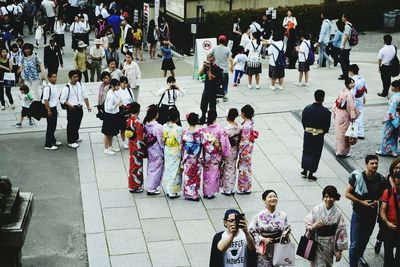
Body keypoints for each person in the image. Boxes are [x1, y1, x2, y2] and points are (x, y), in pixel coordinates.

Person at [345, 155, 385, 267]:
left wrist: (377, 201)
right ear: (366, 164)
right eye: (372, 163)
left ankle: (360, 255)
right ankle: (353, 264)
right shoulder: (358, 177)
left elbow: (383, 195)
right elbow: (347, 193)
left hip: (372, 215)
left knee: (365, 239)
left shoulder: (380, 178)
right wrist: (362, 202)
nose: (375, 165)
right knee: (355, 243)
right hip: (358, 214)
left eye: (376, 163)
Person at [305, 186, 348, 266]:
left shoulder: (338, 213)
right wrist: (314, 226)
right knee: (318, 264)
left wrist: (339, 250)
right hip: (317, 242)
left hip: (330, 244)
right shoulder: (316, 209)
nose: (328, 199)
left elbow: (341, 231)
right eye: (326, 197)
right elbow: (308, 223)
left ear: (335, 198)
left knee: (327, 264)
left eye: (331, 197)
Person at [249, 190, 291, 266]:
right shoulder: (259, 216)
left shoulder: (283, 214)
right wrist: (261, 238)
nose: (273, 198)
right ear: (264, 200)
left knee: (278, 265)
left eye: (275, 196)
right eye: (270, 197)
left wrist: (284, 234)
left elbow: (287, 227)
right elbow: (251, 230)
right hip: (264, 246)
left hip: (279, 245)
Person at [301, 90, 331, 181]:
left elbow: (303, 120)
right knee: (316, 153)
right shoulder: (326, 111)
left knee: (306, 150)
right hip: (318, 134)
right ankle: (311, 173)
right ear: (323, 98)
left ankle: (304, 170)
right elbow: (327, 124)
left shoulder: (307, 108)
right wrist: (323, 131)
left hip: (308, 133)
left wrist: (306, 129)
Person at [201, 110, 231, 199]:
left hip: (206, 153)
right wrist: (225, 152)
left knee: (206, 172)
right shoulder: (219, 128)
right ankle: (210, 192)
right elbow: (224, 142)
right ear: (215, 117)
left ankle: (206, 192)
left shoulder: (204, 128)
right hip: (215, 154)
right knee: (213, 172)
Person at [59, 70, 92, 148]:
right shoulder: (67, 88)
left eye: (77, 77)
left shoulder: (80, 84)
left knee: (77, 123)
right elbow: (62, 99)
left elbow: (85, 95)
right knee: (71, 125)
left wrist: (88, 106)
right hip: (72, 109)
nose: (76, 78)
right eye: (74, 77)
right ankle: (71, 141)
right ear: (70, 78)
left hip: (79, 108)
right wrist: (69, 105)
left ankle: (75, 137)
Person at [374, 158, 399, 254]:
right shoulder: (384, 179)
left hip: (396, 213)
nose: (398, 170)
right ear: (392, 168)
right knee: (383, 230)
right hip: (385, 210)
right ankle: (379, 241)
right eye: (396, 167)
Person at [333, 78, 357, 157]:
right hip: (345, 115)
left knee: (339, 133)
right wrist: (353, 117)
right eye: (351, 83)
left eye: (353, 83)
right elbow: (351, 107)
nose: (353, 84)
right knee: (344, 134)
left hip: (339, 113)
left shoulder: (342, 91)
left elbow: (337, 102)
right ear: (347, 84)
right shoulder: (349, 94)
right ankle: (342, 152)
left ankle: (338, 149)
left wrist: (335, 111)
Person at [143, 104, 164, 195]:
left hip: (149, 149)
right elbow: (161, 141)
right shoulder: (158, 126)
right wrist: (164, 150)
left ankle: (150, 186)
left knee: (151, 167)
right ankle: (152, 188)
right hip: (157, 150)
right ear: (156, 114)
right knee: (157, 169)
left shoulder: (146, 124)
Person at [380, 173, 400, 267]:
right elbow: (382, 210)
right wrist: (387, 222)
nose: (399, 187)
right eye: (397, 185)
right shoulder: (388, 192)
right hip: (390, 228)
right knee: (388, 255)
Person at [162, 108, 183, 199]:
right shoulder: (179, 129)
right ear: (177, 118)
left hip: (167, 149)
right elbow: (181, 141)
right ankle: (173, 191)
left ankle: (168, 189)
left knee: (168, 169)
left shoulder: (164, 126)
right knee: (175, 171)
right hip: (175, 151)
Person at [182, 112, 202, 201]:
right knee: (195, 175)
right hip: (196, 157)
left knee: (188, 175)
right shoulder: (199, 133)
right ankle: (194, 194)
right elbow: (204, 145)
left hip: (188, 157)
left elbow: (183, 146)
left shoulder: (185, 133)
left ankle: (188, 193)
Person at [376, 80, 400, 157]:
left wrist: (385, 119)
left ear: (397, 87)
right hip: (398, 118)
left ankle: (384, 151)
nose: (391, 87)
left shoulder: (396, 97)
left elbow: (392, 110)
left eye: (392, 86)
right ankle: (393, 151)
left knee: (387, 135)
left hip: (393, 119)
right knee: (394, 135)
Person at [125, 102, 145, 193]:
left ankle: (131, 185)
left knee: (132, 165)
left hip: (131, 144)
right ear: (138, 110)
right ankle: (136, 186)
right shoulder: (137, 122)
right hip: (137, 146)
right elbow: (140, 137)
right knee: (137, 166)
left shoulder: (129, 119)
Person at [237, 105, 258, 194]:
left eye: (241, 113)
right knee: (247, 168)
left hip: (245, 149)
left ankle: (243, 188)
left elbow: (244, 141)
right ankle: (247, 187)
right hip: (249, 148)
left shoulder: (246, 126)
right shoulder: (250, 123)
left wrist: (240, 150)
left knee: (243, 168)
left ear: (244, 114)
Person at [221, 108, 241, 196]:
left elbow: (224, 142)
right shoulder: (238, 126)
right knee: (232, 167)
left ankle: (227, 189)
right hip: (235, 149)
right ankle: (232, 187)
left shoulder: (226, 129)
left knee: (227, 168)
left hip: (228, 150)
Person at [199, 54, 223, 124]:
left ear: (214, 60)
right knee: (203, 105)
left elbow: (210, 78)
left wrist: (209, 69)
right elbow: (200, 74)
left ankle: (211, 120)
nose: (210, 62)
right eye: (209, 60)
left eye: (211, 61)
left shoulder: (217, 68)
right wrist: (203, 67)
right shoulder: (206, 66)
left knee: (212, 106)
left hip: (213, 90)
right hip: (206, 89)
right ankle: (203, 117)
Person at [101, 78, 121, 155]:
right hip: (109, 115)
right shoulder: (110, 95)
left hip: (114, 114)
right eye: (117, 86)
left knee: (111, 133)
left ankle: (110, 146)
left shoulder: (113, 92)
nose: (118, 87)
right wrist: (117, 103)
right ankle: (106, 148)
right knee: (107, 133)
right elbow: (109, 107)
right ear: (112, 86)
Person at [43, 73, 62, 150]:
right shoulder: (47, 88)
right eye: (53, 77)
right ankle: (48, 144)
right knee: (50, 127)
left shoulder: (54, 86)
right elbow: (45, 100)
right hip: (50, 109)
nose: (55, 78)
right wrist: (48, 110)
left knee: (53, 126)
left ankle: (53, 140)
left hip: (54, 108)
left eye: (56, 77)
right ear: (49, 78)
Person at [212, 35, 233, 101]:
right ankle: (224, 96)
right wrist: (232, 67)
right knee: (225, 83)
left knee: (216, 83)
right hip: (225, 70)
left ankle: (216, 97)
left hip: (216, 69)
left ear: (219, 41)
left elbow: (210, 55)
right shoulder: (227, 49)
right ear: (225, 41)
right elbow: (230, 59)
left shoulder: (214, 48)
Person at [349, 64, 367, 139]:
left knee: (354, 116)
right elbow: (365, 88)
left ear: (351, 71)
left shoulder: (353, 80)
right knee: (360, 115)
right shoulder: (362, 78)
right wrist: (363, 97)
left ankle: (354, 132)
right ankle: (360, 132)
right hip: (361, 97)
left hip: (355, 99)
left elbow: (352, 93)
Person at [339, 13, 353, 80]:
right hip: (347, 47)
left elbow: (346, 35)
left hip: (345, 47)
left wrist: (343, 45)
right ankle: (345, 74)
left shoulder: (347, 26)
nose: (342, 18)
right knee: (346, 61)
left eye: (342, 17)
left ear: (345, 18)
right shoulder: (350, 25)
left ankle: (345, 75)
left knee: (343, 61)